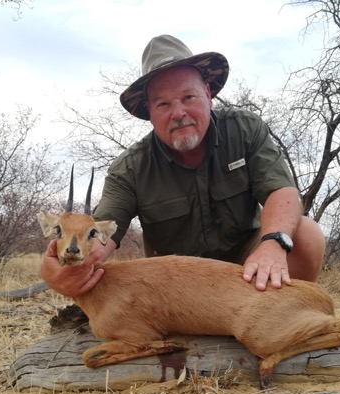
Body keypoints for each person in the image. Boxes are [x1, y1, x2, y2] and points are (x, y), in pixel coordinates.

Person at [41, 34, 325, 297]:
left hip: (249, 271)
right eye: (163, 104)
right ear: (149, 112)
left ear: (208, 94)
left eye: (189, 97)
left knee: (307, 235)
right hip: (176, 288)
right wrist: (61, 266)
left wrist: (273, 244)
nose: (178, 113)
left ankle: (281, 316)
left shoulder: (244, 129)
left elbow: (282, 192)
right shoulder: (129, 169)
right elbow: (101, 234)